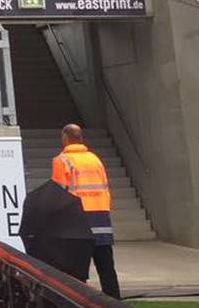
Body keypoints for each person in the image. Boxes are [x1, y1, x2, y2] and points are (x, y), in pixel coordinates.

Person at [52, 124, 120, 299]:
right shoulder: (95, 159)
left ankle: (77, 301)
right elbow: (105, 187)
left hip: (77, 219)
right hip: (101, 217)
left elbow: (58, 193)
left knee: (76, 271)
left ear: (65, 138)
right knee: (106, 268)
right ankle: (113, 301)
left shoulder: (62, 160)